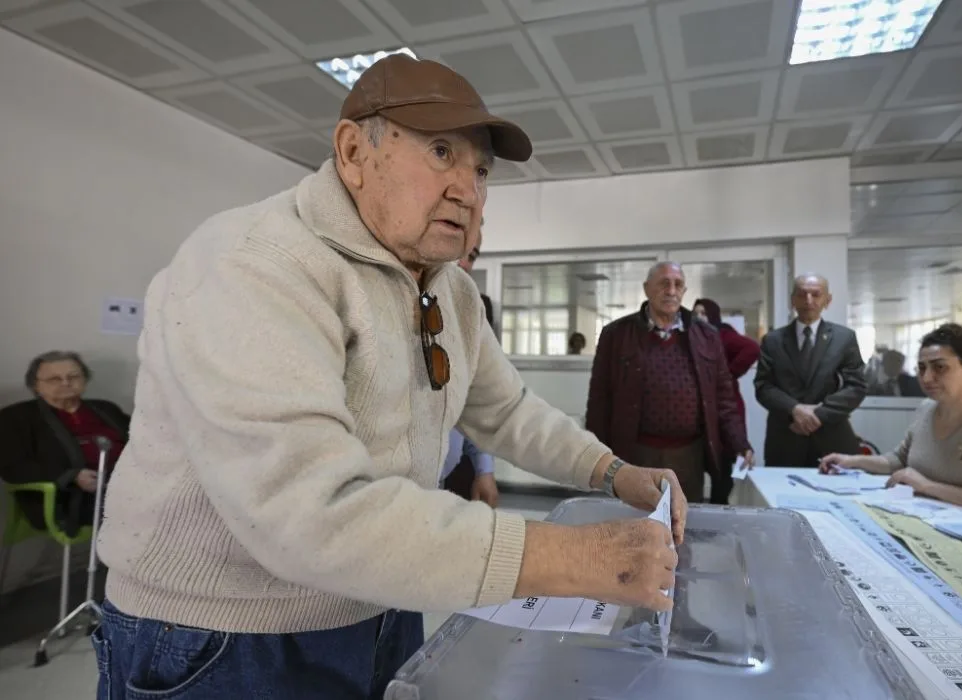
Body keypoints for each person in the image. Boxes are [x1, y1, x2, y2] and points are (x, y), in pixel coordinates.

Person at [94, 54, 685, 700]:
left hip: (380, 599)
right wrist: (568, 559)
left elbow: (507, 410)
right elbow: (307, 511)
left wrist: (614, 472)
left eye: (480, 169)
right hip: (224, 637)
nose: (468, 188)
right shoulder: (255, 263)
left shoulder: (448, 289)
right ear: (353, 151)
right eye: (440, 152)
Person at [820, 324, 962, 537]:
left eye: (940, 367)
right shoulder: (926, 410)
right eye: (922, 368)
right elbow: (900, 460)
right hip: (943, 533)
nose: (927, 378)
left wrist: (926, 486)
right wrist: (851, 461)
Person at [586, 262, 753, 503]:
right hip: (634, 453)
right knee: (635, 525)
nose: (671, 290)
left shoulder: (706, 335)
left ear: (685, 291)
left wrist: (740, 442)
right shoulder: (616, 334)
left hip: (689, 456)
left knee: (682, 526)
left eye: (678, 284)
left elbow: (724, 397)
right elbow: (599, 398)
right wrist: (594, 453)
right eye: (664, 283)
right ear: (647, 288)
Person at [0, 351, 129, 534]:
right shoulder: (15, 417)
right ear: (36, 385)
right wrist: (72, 476)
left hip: (126, 487)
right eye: (54, 379)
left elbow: (142, 441)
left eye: (74, 376)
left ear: (85, 379)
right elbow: (12, 467)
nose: (66, 382)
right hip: (70, 498)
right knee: (146, 513)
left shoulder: (106, 408)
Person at [754, 274, 867, 467]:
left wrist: (818, 415)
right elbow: (763, 386)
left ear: (827, 300)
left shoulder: (844, 338)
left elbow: (856, 387)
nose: (808, 301)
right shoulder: (772, 340)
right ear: (792, 300)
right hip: (785, 437)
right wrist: (794, 409)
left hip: (832, 438)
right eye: (802, 294)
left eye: (816, 294)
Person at [441, 227, 499, 506]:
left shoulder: (469, 314)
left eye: (472, 255)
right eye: (456, 250)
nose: (463, 263)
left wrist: (484, 468)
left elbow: (476, 399)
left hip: (447, 479)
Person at [691, 298, 760, 504]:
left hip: (724, 408)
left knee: (722, 469)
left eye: (703, 313)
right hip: (703, 413)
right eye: (695, 313)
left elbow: (752, 348)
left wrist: (728, 374)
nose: (699, 317)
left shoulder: (722, 334)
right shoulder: (692, 338)